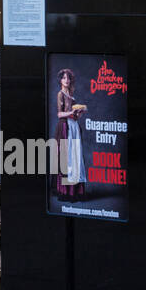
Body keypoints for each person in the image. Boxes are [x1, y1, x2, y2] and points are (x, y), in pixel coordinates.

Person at [54, 67, 87, 200]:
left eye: (68, 78)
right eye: (64, 78)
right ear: (60, 80)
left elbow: (74, 117)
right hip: (65, 128)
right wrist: (71, 113)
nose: (66, 80)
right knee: (66, 159)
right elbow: (59, 114)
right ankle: (66, 191)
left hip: (73, 126)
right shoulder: (60, 94)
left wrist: (79, 114)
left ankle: (74, 191)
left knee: (75, 159)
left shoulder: (71, 95)